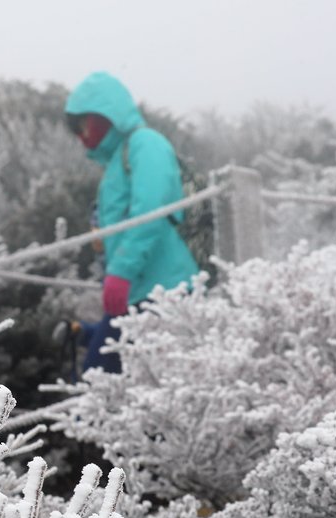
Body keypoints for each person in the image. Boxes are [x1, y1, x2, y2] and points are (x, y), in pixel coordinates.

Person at [58, 71, 199, 375]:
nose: (82, 136)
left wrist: (120, 272)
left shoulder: (145, 144)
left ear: (107, 116)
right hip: (141, 293)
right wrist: (88, 333)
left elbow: (151, 211)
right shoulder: (116, 162)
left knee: (101, 395)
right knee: (108, 391)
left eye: (85, 125)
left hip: (165, 292)